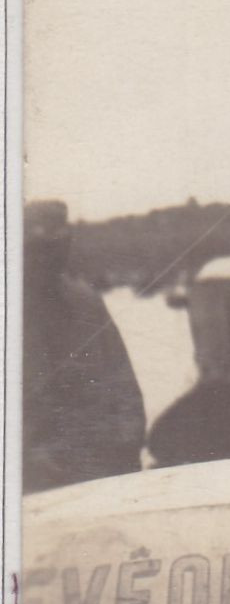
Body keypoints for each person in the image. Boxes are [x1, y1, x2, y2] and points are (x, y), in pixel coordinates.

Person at [21, 199, 146, 492]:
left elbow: (124, 383)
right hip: (35, 476)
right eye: (41, 248)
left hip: (101, 465)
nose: (52, 256)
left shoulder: (86, 301)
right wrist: (31, 458)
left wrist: (128, 443)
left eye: (60, 245)